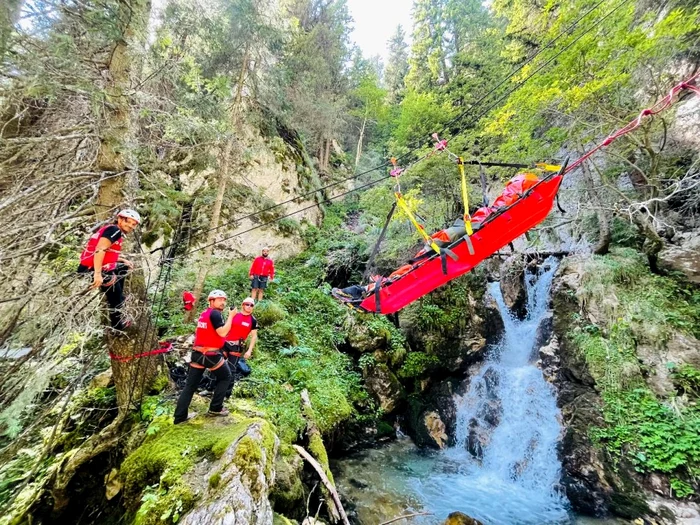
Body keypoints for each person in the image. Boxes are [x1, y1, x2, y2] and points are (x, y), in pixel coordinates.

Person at [173, 290, 234, 424]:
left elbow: (204, 332)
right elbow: (223, 332)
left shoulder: (204, 314)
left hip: (197, 354)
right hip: (210, 355)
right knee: (225, 377)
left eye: (224, 299)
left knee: (190, 386)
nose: (223, 302)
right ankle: (215, 408)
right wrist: (231, 316)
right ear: (211, 301)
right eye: (220, 299)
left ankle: (179, 417)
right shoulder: (215, 314)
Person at [77, 209, 140, 330]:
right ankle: (118, 327)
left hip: (95, 266)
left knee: (123, 267)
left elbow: (107, 251)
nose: (130, 226)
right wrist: (97, 274)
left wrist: (122, 260)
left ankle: (120, 296)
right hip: (92, 268)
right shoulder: (114, 231)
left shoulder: (112, 230)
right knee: (115, 298)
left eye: (133, 224)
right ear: (120, 219)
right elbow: (100, 250)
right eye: (128, 222)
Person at [221, 296, 258, 397]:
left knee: (231, 369)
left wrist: (249, 351)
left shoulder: (253, 320)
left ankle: (227, 394)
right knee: (216, 365)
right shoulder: (234, 315)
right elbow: (225, 328)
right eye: (247, 304)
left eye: (251, 305)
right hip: (225, 343)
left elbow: (254, 336)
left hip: (236, 346)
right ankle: (210, 388)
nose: (249, 307)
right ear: (243, 305)